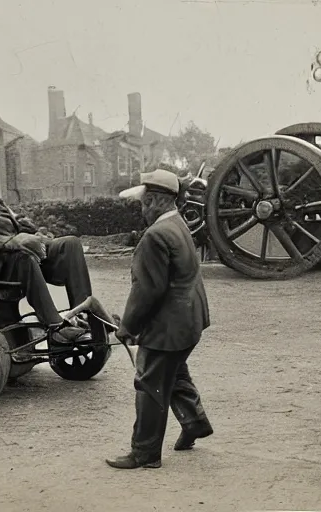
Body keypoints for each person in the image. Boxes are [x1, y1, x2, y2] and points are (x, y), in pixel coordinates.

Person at [106, 168, 213, 470]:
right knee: (174, 372)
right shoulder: (178, 223)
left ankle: (145, 453)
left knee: (150, 384)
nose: (141, 210)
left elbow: (147, 291)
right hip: (190, 321)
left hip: (169, 326)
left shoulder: (154, 236)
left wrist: (127, 328)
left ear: (154, 200)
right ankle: (194, 422)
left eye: (143, 203)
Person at [0, 153, 91, 344]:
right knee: (25, 256)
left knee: (70, 244)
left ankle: (82, 313)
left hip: (13, 253)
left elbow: (8, 222)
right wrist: (13, 241)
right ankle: (54, 326)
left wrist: (27, 227)